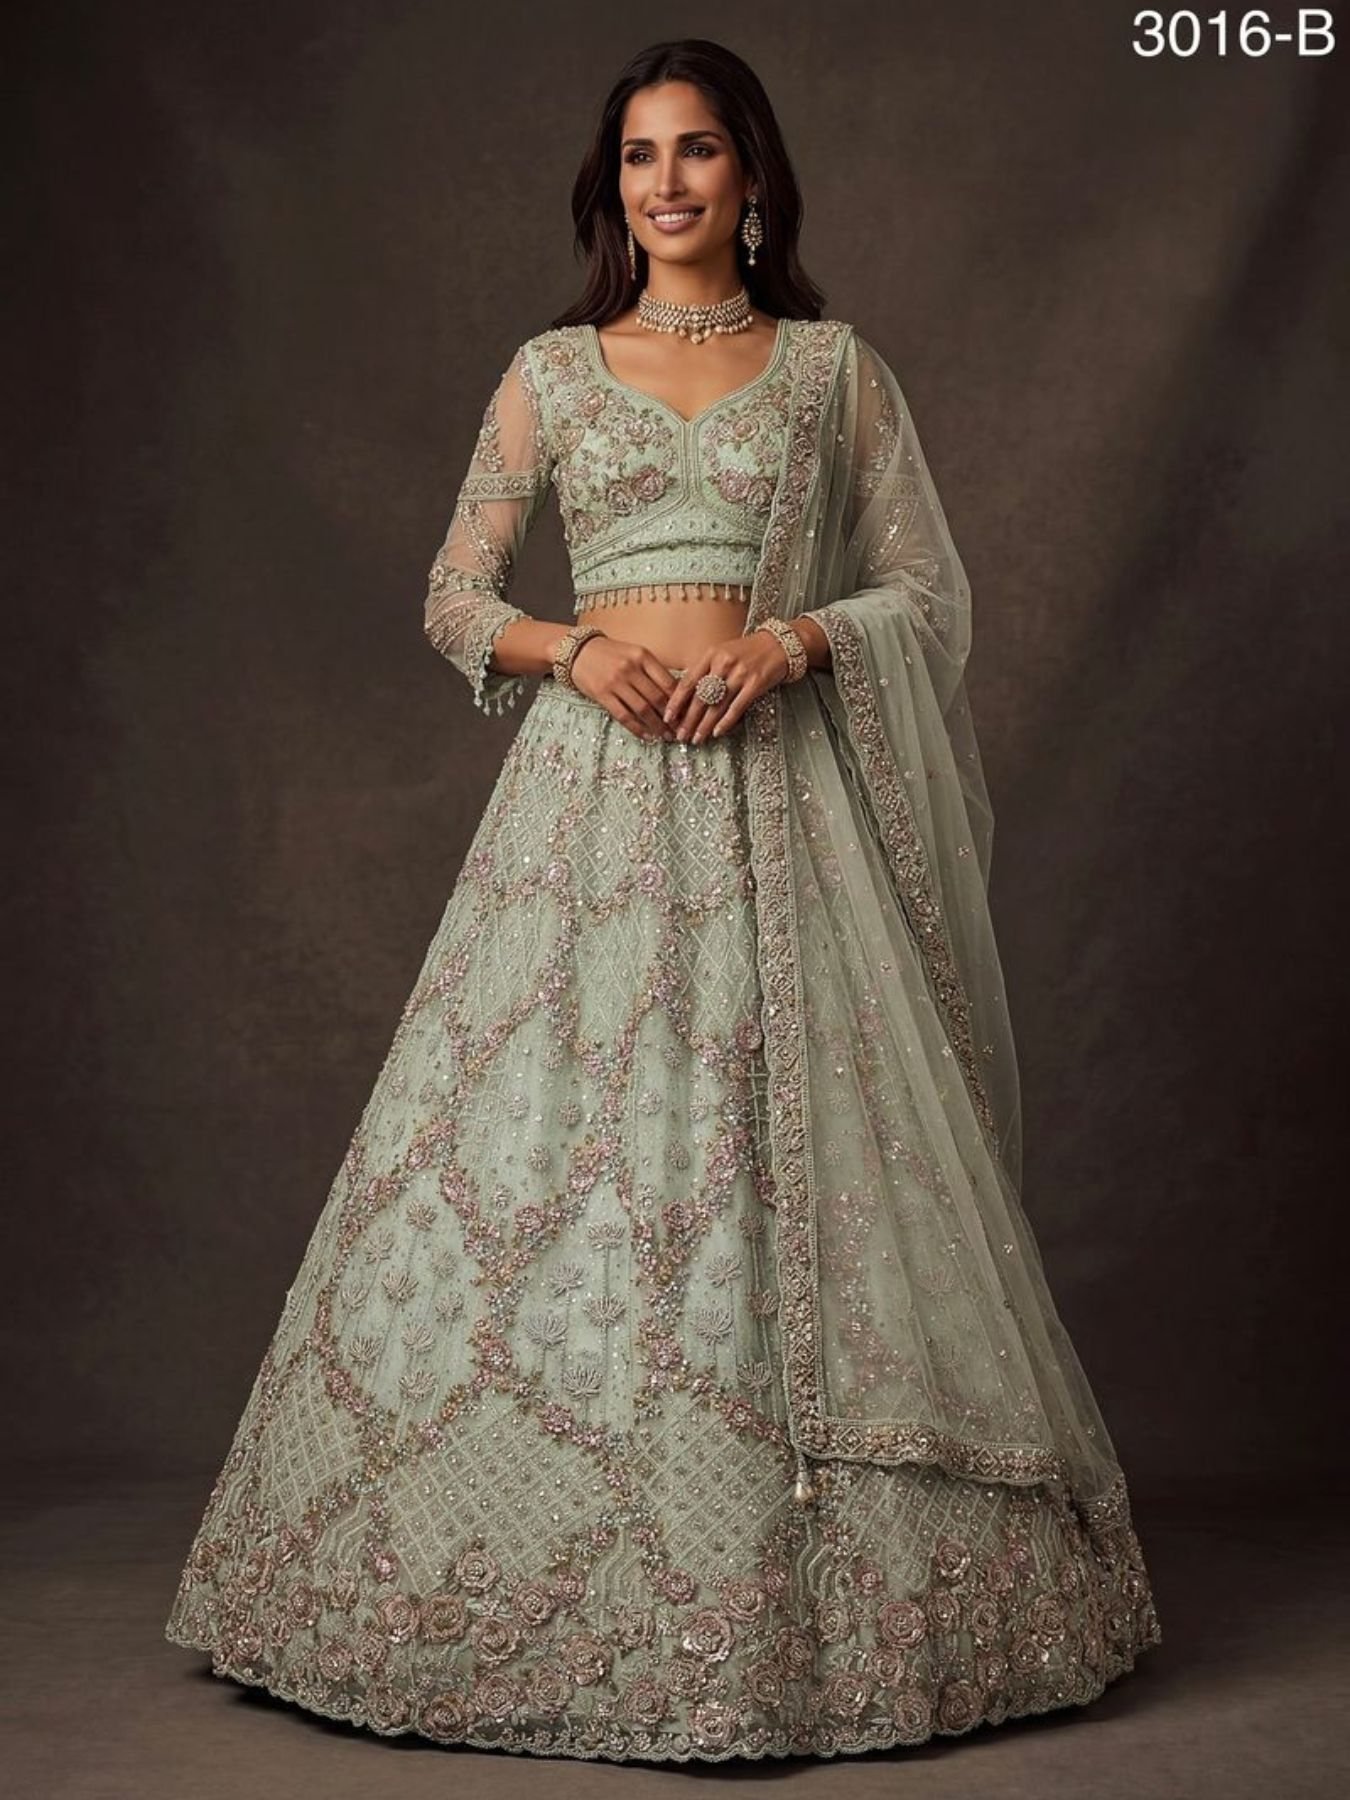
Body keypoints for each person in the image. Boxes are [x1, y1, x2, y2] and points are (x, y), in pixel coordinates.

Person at [164, 37, 1161, 1763]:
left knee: (782, 1152)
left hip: (786, 805)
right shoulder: (550, 374)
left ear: (751, 176)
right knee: (570, 1165)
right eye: (639, 156)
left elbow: (924, 593)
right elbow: (453, 592)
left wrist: (797, 639)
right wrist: (574, 650)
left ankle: (816, 1597)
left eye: (698, 150)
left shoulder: (834, 374)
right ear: (610, 187)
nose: (668, 182)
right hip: (590, 809)